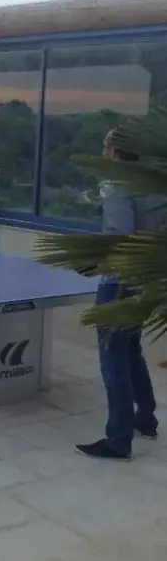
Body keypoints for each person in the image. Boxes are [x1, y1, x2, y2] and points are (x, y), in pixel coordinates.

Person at [76, 128, 164, 461]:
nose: (102, 153)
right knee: (130, 351)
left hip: (120, 282)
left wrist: (92, 262)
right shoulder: (152, 187)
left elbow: (119, 237)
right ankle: (146, 418)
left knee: (113, 358)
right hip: (145, 280)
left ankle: (118, 439)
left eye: (104, 147)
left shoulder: (117, 186)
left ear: (114, 152)